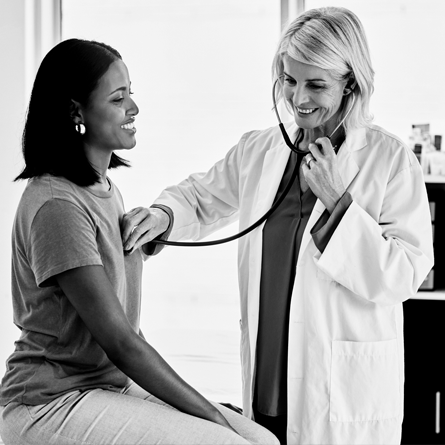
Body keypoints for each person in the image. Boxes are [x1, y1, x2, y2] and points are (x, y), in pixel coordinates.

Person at [121, 7, 435, 445]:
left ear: (351, 84)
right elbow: (200, 196)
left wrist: (338, 203)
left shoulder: (390, 161)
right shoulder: (261, 149)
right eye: (289, 79)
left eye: (316, 84)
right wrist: (163, 216)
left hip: (340, 399)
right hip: (268, 384)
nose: (298, 97)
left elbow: (404, 273)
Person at [0, 38, 279, 445]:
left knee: (262, 441)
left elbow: (122, 328)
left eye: (131, 94)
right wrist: (210, 416)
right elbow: (121, 342)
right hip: (50, 401)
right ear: (76, 110)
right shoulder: (57, 205)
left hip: (106, 383)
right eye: (118, 99)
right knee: (229, 440)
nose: (133, 108)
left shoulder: (103, 187)